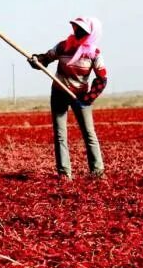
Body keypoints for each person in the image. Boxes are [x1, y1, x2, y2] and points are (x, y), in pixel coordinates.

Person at [30, 16, 108, 179]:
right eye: (77, 28)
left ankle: (97, 172)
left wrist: (87, 99)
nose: (78, 32)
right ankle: (64, 174)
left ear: (91, 33)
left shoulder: (94, 54)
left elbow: (101, 79)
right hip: (59, 93)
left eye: (83, 30)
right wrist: (36, 60)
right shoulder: (63, 46)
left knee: (89, 133)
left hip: (80, 96)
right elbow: (46, 58)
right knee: (60, 134)